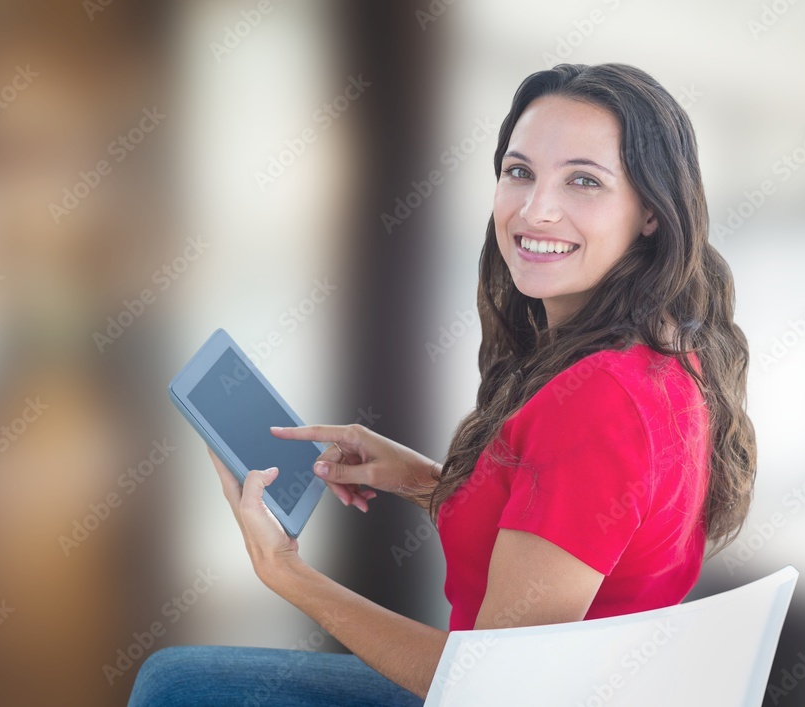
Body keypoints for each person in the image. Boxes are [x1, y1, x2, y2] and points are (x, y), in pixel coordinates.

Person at [127, 62, 757, 706]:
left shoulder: (601, 399)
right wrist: (422, 480)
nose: (537, 209)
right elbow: (568, 525)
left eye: (584, 181)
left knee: (173, 689)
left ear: (651, 212)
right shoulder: (659, 355)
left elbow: (495, 686)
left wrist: (286, 573)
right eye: (520, 172)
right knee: (175, 680)